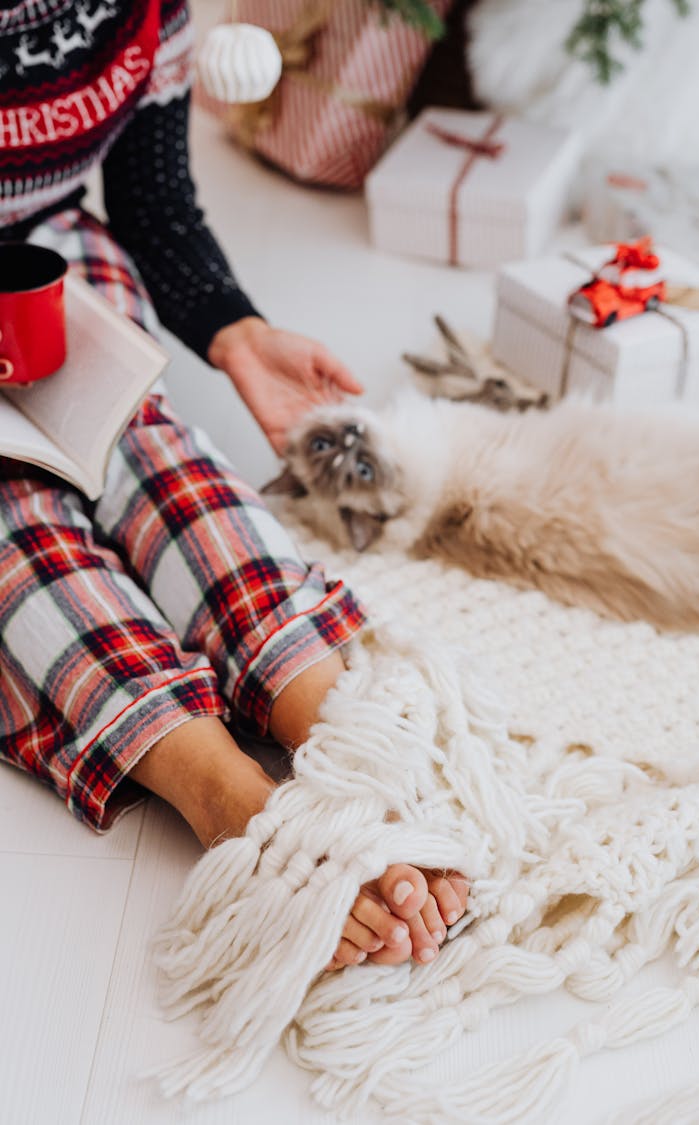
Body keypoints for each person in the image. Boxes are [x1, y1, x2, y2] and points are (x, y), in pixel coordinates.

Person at [0, 0, 466, 970]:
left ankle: (343, 739)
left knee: (142, 444)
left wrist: (233, 329)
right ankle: (220, 790)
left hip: (42, 254)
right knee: (19, 514)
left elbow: (153, 200)